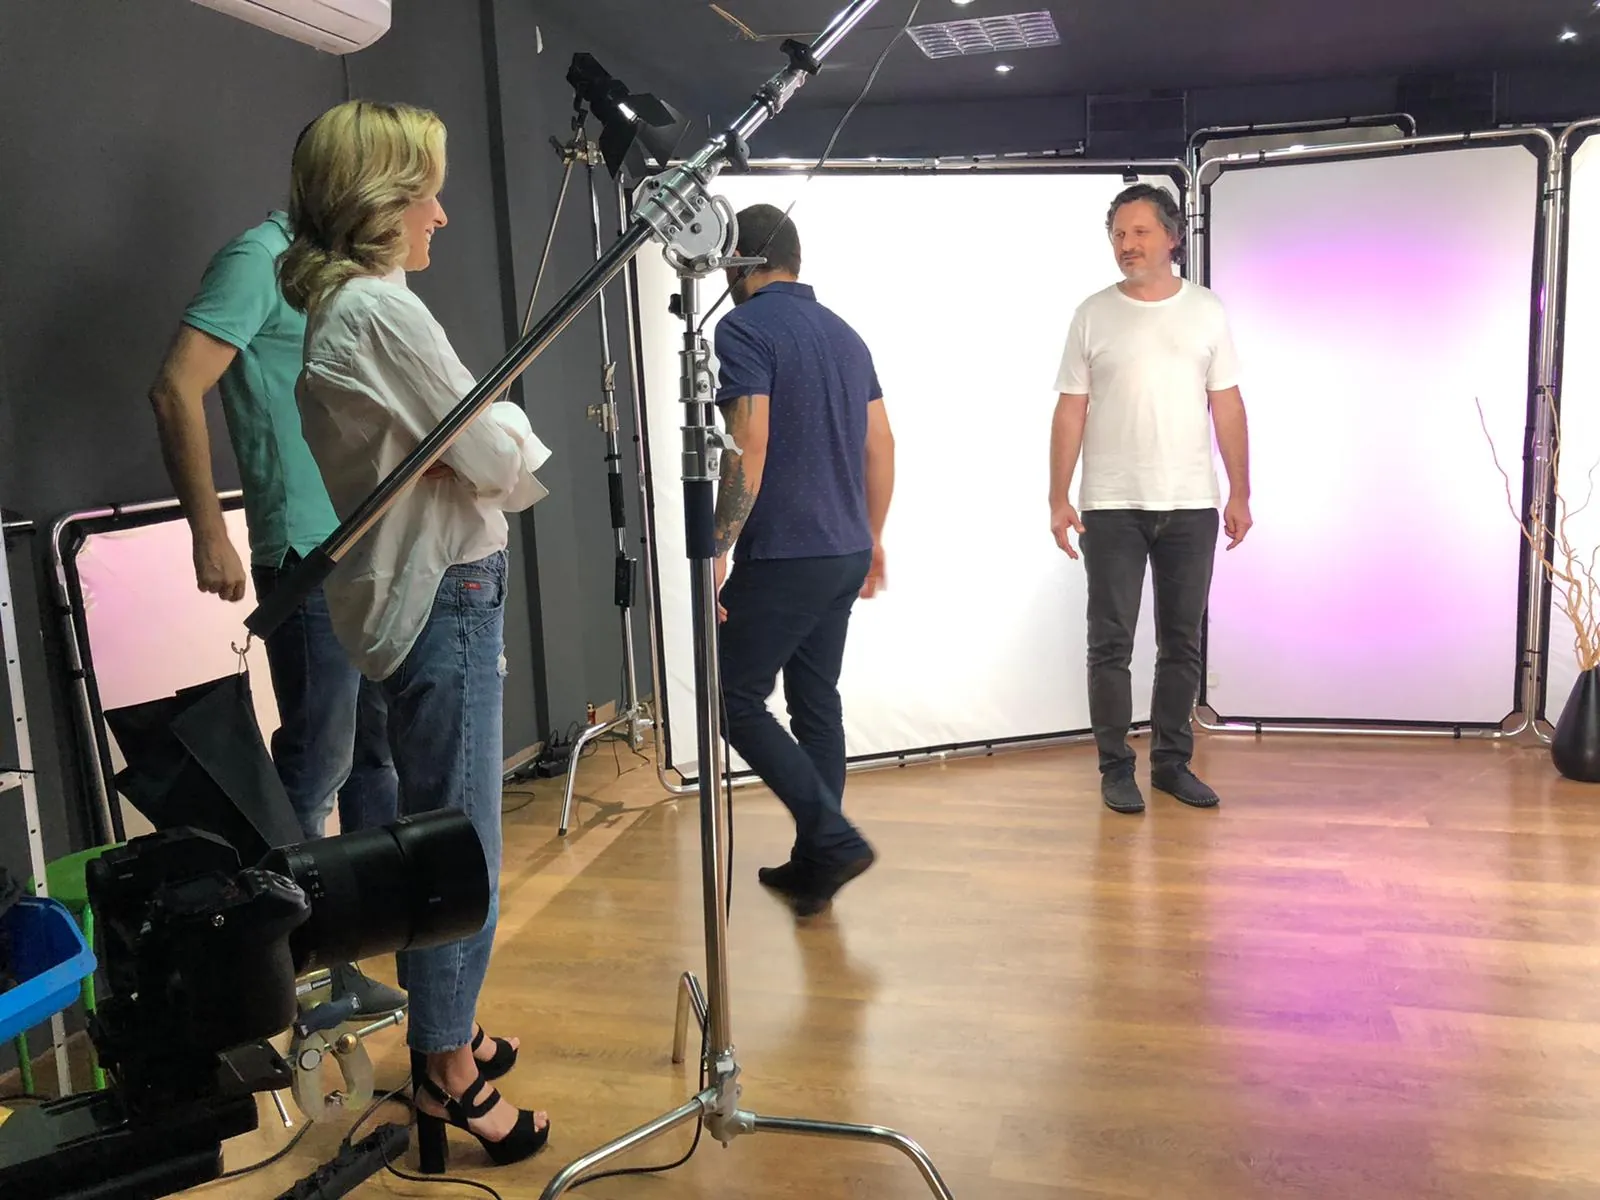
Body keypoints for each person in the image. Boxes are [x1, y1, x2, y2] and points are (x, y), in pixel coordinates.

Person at [279, 99, 551, 1171]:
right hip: (445, 590)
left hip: (427, 590)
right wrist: (493, 434)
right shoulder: (379, 315)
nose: (441, 214)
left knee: (443, 825)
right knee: (460, 842)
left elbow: (477, 447)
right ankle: (444, 1065)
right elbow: (497, 454)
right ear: (380, 203)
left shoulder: (355, 308)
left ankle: (452, 1027)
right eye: (426, 195)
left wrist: (481, 438)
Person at [149, 183, 406, 1017]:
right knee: (317, 764)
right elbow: (175, 387)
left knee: (374, 760)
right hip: (306, 552)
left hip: (368, 543)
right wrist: (208, 531)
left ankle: (350, 958)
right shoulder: (258, 259)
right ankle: (289, 974)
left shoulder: (338, 266)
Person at [712, 204, 894, 918]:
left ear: (738, 264)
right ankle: (818, 864)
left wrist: (717, 544)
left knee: (732, 697)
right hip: (844, 548)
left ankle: (833, 836)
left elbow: (747, 443)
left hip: (786, 551)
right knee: (816, 701)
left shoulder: (743, 329)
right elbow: (881, 443)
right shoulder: (845, 335)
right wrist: (873, 536)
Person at [1048, 183, 1253, 815]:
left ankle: (1171, 763)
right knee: (1109, 643)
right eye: (1118, 234)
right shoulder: (1092, 314)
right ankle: (1116, 768)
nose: (1126, 245)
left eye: (1139, 232)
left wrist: (1240, 492)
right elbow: (1070, 409)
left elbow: (1227, 404)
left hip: (1190, 501)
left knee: (1181, 642)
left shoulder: (1206, 311)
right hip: (1111, 503)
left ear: (1171, 237)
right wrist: (1058, 496)